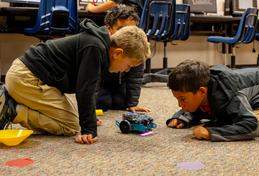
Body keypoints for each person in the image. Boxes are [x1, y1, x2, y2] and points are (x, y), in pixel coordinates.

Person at [1, 19, 151, 145]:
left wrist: (89, 115)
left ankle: (14, 101)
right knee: (70, 126)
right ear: (118, 53)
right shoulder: (95, 47)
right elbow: (86, 90)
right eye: (128, 66)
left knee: (75, 119)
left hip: (31, 76)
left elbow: (89, 87)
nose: (126, 71)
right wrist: (89, 130)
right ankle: (11, 110)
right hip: (26, 78)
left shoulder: (98, 44)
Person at [166, 59, 259, 142]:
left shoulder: (228, 93)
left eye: (182, 99)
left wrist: (212, 133)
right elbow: (200, 106)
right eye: (177, 99)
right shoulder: (206, 88)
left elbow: (250, 126)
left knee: (257, 121)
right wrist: (183, 116)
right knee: (231, 116)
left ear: (202, 91)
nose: (180, 105)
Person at [95, 4, 150, 112]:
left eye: (131, 30)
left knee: (120, 104)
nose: (127, 34)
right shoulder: (100, 46)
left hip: (120, 83)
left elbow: (135, 77)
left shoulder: (135, 47)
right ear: (109, 29)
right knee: (103, 103)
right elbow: (93, 78)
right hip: (101, 83)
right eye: (121, 29)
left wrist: (132, 103)